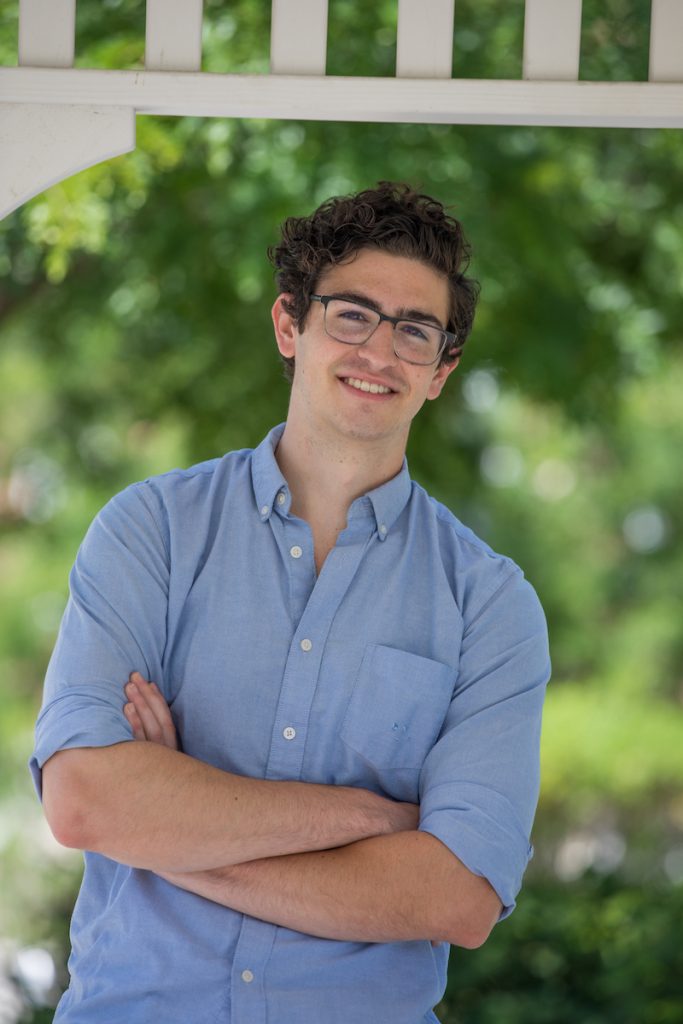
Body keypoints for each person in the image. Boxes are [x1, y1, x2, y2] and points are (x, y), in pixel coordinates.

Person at [31, 182, 550, 1024]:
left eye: (414, 329)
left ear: (441, 370)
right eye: (350, 314)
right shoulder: (151, 532)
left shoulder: (489, 605)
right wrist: (369, 820)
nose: (379, 351)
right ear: (289, 325)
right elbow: (87, 802)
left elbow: (456, 898)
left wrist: (173, 832)